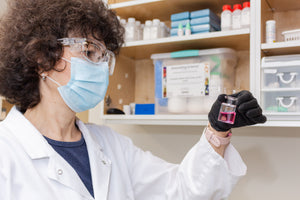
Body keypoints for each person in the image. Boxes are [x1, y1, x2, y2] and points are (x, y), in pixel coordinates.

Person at [0, 0, 266, 199]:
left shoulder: (110, 144)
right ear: (41, 59)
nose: (101, 67)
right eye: (90, 51)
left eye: (105, 57)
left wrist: (217, 131)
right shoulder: (6, 152)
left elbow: (182, 189)